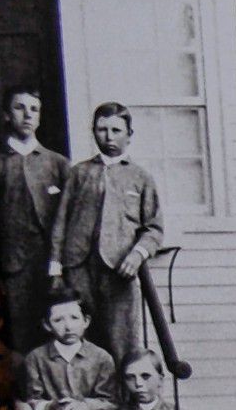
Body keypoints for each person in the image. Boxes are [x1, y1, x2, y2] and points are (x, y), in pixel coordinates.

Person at [55, 102, 162, 366]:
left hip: (119, 272)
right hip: (78, 269)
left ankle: (124, 404)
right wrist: (56, 268)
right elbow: (60, 222)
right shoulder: (78, 174)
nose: (109, 136)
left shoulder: (140, 178)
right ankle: (89, 404)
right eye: (102, 129)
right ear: (94, 132)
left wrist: (137, 255)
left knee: (123, 343)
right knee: (80, 340)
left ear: (129, 134)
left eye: (116, 130)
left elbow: (154, 229)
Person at [7, 292, 118, 410]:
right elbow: (32, 399)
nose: (68, 326)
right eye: (58, 320)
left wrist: (86, 406)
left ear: (86, 321)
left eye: (74, 318)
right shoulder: (36, 358)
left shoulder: (101, 357)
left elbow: (110, 401)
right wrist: (52, 406)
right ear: (47, 325)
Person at [0, 85, 66, 341]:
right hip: (12, 269)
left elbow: (70, 217)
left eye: (34, 109)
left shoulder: (57, 164)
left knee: (56, 334)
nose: (28, 115)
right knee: (20, 338)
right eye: (19, 108)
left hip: (52, 268)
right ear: (7, 115)